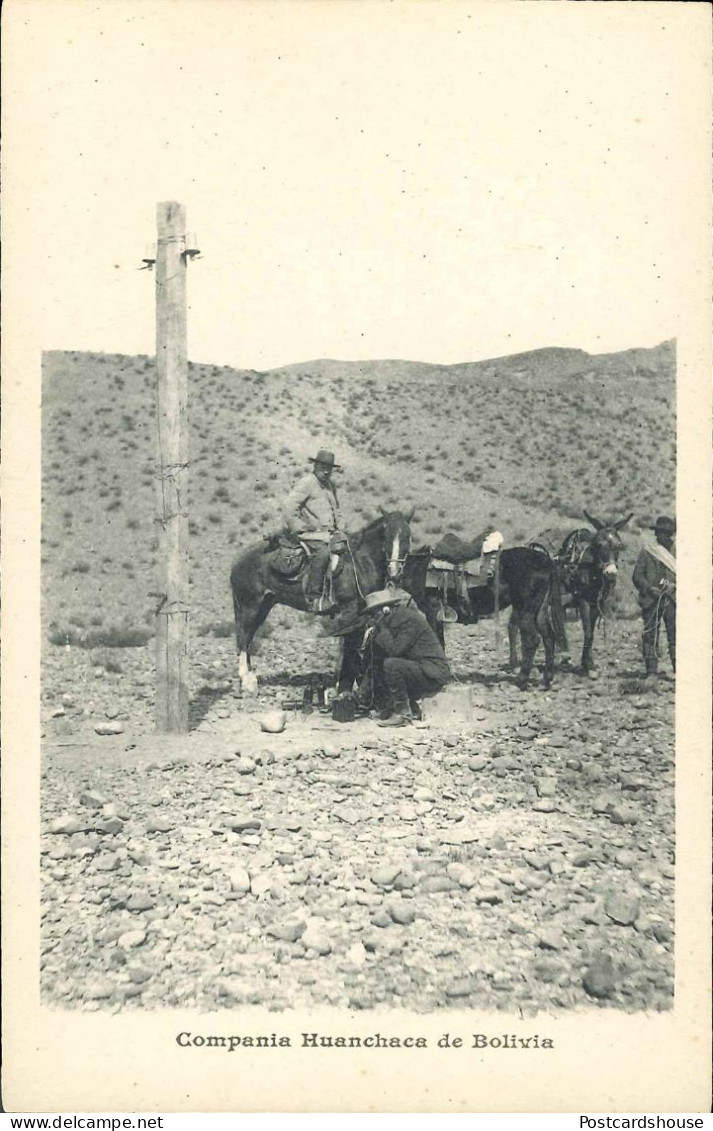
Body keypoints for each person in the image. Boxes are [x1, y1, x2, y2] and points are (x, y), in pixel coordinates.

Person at [359, 588, 451, 727]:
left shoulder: (408, 620)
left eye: (374, 614)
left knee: (392, 664)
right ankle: (389, 707)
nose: (373, 618)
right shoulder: (394, 620)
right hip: (419, 668)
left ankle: (403, 714)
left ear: (386, 610)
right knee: (380, 662)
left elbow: (396, 650)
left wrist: (381, 629)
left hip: (432, 673)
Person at [281, 449, 343, 613]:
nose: (326, 470)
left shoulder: (330, 485)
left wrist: (341, 527)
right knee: (323, 553)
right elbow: (288, 506)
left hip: (329, 534)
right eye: (323, 466)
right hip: (311, 534)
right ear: (315, 465)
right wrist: (298, 526)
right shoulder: (307, 482)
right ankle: (314, 597)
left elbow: (336, 510)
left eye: (329, 467)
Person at [632, 515, 676, 679]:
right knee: (650, 634)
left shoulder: (677, 552)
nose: (663, 536)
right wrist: (649, 589)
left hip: (672, 600)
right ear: (656, 534)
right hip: (651, 600)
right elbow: (637, 576)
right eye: (661, 533)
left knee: (675, 635)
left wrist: (674, 586)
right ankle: (651, 671)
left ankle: (678, 669)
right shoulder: (647, 552)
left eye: (667, 533)